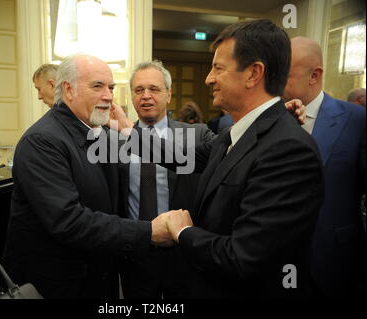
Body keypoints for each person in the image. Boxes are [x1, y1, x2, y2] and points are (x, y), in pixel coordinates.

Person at [111, 19, 324, 298]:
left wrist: (183, 232)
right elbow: (178, 155)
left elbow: (244, 257)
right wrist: (129, 132)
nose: (209, 78)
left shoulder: (288, 150)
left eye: (218, 68)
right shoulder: (233, 135)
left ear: (253, 74)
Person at [3, 54, 176, 299]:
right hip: (59, 284)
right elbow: (68, 221)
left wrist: (127, 130)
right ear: (68, 89)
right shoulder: (42, 141)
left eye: (111, 88)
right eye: (97, 86)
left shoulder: (99, 133)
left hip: (97, 276)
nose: (108, 96)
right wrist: (148, 232)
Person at [119, 61, 215, 299]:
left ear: (169, 94)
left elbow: (236, 146)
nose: (146, 96)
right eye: (139, 90)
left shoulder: (198, 134)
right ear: (132, 96)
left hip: (183, 255)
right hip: (135, 254)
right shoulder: (115, 140)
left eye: (154, 89)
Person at [283, 37, 366, 298]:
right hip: (273, 263)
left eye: (284, 73)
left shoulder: (356, 120)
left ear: (314, 75)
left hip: (333, 262)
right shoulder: (269, 118)